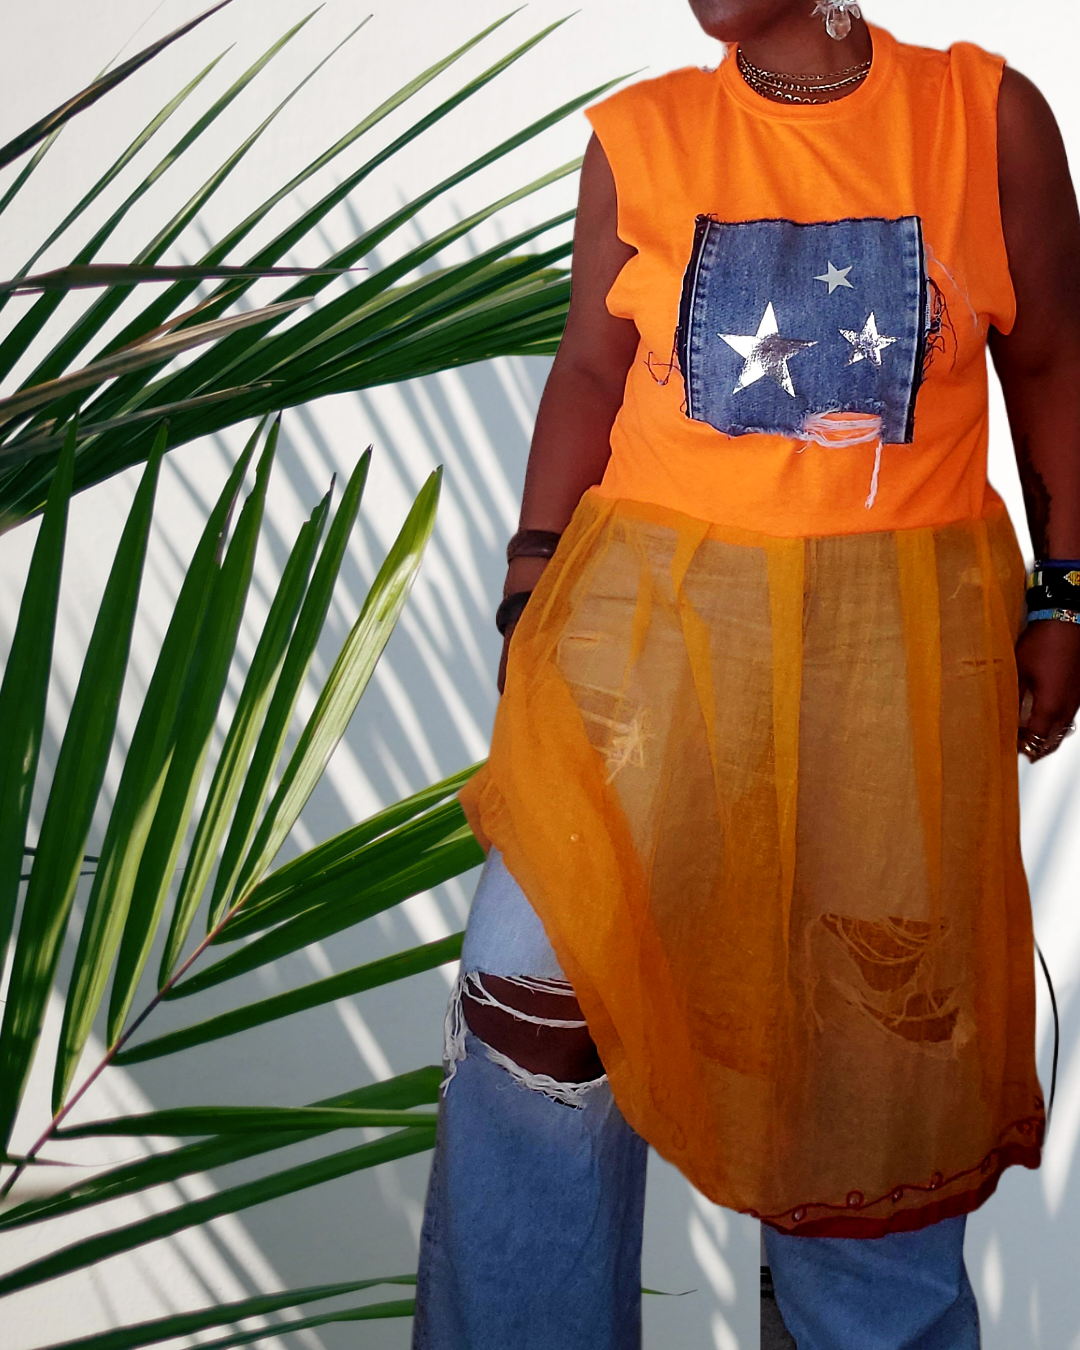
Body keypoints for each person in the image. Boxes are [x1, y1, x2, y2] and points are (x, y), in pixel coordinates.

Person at [412, 1, 1080, 1345]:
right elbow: (589, 370)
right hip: (649, 657)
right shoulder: (642, 134)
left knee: (872, 1074)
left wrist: (1065, 590)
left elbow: (1058, 362)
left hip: (889, 678)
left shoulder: (984, 117)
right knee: (531, 1016)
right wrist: (531, 589)